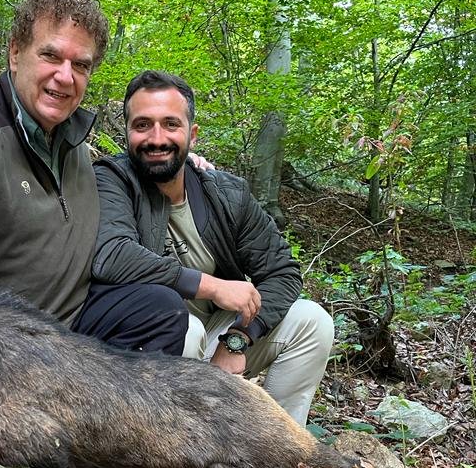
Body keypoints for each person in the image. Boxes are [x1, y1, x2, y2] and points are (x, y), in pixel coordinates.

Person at [0, 0, 189, 354]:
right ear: (15, 53)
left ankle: (104, 410)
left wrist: (183, 165)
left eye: (80, 65)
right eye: (51, 55)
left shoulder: (70, 141)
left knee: (161, 311)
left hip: (72, 324)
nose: (65, 77)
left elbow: (132, 170)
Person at [91, 70, 335, 426]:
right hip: (153, 335)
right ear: (127, 132)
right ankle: (179, 445)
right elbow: (112, 255)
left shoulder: (226, 194)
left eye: (170, 124)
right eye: (142, 125)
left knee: (312, 322)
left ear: (191, 134)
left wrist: (238, 338)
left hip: (216, 332)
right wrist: (214, 286)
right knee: (183, 326)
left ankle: (279, 442)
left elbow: (281, 271)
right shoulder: (112, 180)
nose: (156, 138)